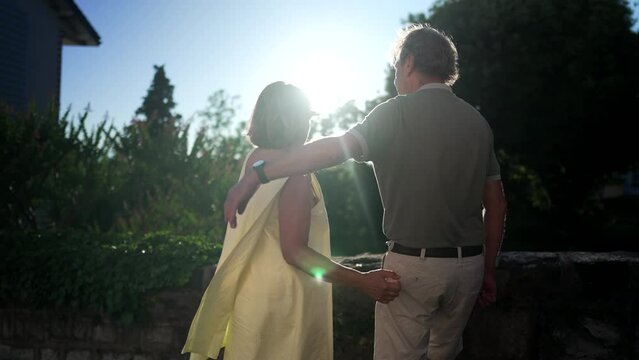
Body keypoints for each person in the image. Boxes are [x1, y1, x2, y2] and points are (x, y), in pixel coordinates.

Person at [224, 24, 507, 360]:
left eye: (395, 70)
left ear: (409, 63)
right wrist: (487, 270)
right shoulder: (477, 123)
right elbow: (497, 205)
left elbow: (334, 150)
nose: (395, 80)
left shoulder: (395, 112)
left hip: (413, 269)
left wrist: (260, 174)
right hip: (469, 269)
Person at [182, 82, 401, 360]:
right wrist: (361, 281)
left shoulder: (255, 161)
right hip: (284, 308)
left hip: (251, 300)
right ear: (291, 120)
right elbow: (295, 252)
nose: (309, 127)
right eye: (306, 118)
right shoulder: (296, 171)